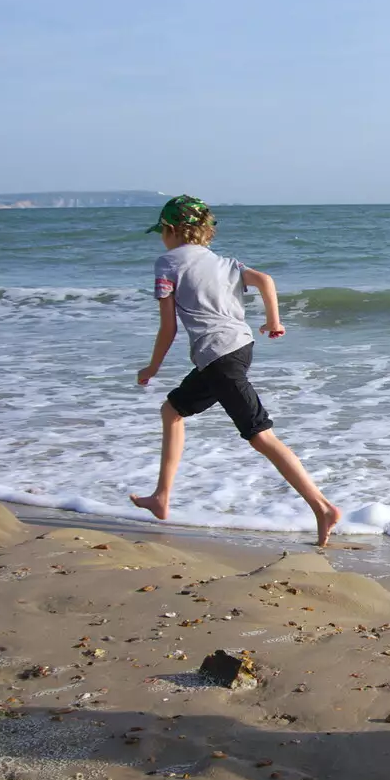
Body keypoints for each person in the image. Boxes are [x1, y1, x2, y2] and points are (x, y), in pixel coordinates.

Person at [128, 194, 341, 546]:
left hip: (218, 358)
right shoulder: (227, 263)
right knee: (172, 410)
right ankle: (161, 497)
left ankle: (322, 507)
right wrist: (274, 320)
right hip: (238, 349)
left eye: (162, 232)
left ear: (170, 230)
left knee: (261, 435)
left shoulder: (167, 264)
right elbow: (265, 280)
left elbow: (168, 329)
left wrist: (152, 367)